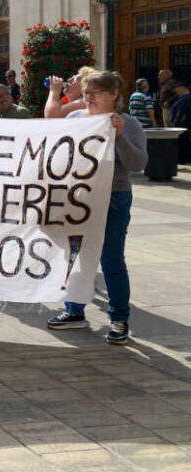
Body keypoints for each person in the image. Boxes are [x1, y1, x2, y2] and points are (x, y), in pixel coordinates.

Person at [47, 71, 147, 344]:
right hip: (78, 199)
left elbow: (138, 164)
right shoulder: (75, 120)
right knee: (75, 255)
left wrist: (120, 136)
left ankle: (118, 318)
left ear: (114, 95)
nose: (88, 98)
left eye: (95, 93)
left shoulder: (129, 123)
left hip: (114, 198)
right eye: (86, 92)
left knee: (111, 259)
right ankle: (74, 310)